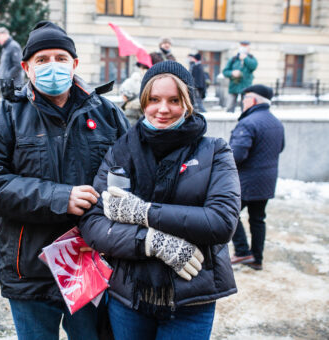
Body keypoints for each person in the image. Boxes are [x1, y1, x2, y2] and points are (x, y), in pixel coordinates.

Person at [0, 21, 129, 340]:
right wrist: (58, 197)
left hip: (90, 264)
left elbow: (132, 174)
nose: (52, 65)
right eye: (41, 60)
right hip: (29, 270)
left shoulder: (109, 115)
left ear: (74, 64)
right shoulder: (3, 119)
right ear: (26, 67)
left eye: (60, 57)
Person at [79, 61, 241, 340]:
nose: (163, 109)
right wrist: (151, 241)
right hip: (129, 295)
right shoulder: (121, 151)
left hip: (192, 298)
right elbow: (93, 223)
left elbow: (221, 222)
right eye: (154, 99)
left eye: (174, 100)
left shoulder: (215, 151)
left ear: (188, 102)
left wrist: (144, 212)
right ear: (144, 102)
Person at [230, 85, 284, 271]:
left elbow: (236, 155)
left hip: (247, 182)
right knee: (258, 219)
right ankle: (257, 259)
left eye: (244, 99)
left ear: (253, 100)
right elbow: (281, 147)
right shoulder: (276, 122)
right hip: (267, 181)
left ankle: (243, 250)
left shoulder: (248, 123)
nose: (242, 102)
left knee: (229, 214)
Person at [222, 41, 258, 113]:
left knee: (245, 107)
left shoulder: (251, 58)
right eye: (242, 46)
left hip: (246, 86)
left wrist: (245, 58)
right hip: (234, 85)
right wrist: (232, 73)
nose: (243, 48)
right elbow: (225, 71)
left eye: (245, 46)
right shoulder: (234, 59)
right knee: (230, 107)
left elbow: (253, 67)